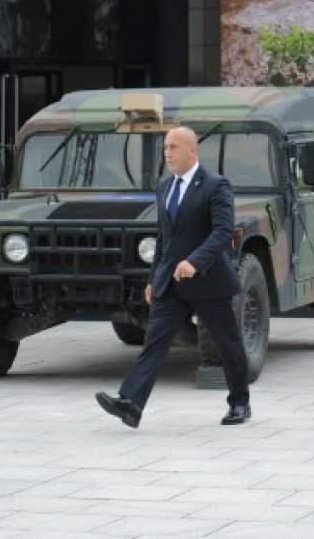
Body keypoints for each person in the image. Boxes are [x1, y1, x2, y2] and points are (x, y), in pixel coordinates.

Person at [96, 126, 251, 428]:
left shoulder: (216, 185)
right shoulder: (165, 187)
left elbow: (222, 231)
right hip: (171, 282)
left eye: (174, 147)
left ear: (192, 151)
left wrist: (195, 261)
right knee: (155, 342)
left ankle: (240, 403)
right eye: (166, 147)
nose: (167, 153)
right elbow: (164, 239)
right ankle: (130, 404)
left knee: (227, 344)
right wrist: (154, 279)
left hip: (208, 280)